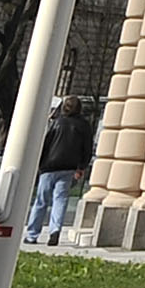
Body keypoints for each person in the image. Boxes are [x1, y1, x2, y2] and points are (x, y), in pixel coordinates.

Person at [26, 96, 97, 245]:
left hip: (49, 166)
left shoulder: (57, 122)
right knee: (60, 199)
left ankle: (32, 234)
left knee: (41, 201)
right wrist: (81, 167)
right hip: (69, 167)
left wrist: (39, 164)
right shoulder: (84, 126)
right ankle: (55, 230)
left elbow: (46, 144)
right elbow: (87, 148)